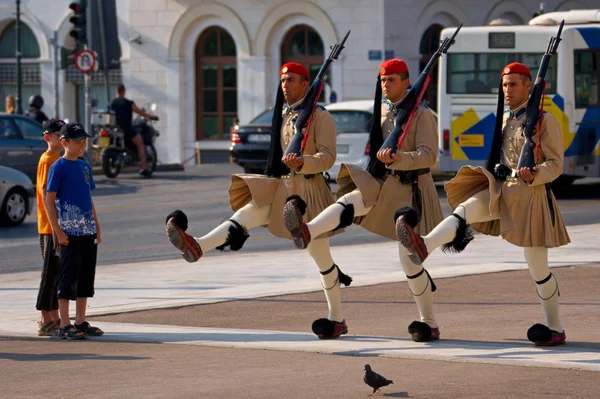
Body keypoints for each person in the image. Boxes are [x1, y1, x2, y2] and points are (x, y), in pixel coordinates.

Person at [165, 62, 353, 339]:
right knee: (247, 214)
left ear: (305, 84)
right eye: (283, 80)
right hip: (282, 187)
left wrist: (303, 161)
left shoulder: (320, 116)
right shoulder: (285, 114)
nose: (285, 85)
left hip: (310, 191)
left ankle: (337, 318)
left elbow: (328, 156)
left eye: (290, 80)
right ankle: (199, 245)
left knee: (322, 258)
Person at [395, 62, 570, 346]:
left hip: (531, 196)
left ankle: (555, 327)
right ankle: (425, 244)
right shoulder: (506, 119)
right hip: (503, 189)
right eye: (504, 85)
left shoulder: (544, 120)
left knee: (537, 267)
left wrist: (536, 173)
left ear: (529, 87)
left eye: (514, 84)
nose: (507, 90)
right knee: (467, 207)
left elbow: (556, 164)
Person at [283, 59, 444, 342]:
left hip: (412, 189)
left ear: (407, 82)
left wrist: (400, 158)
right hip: (384, 183)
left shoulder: (422, 114)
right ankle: (309, 230)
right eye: (383, 80)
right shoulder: (382, 110)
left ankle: (428, 322)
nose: (386, 85)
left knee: (410, 262)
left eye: (392, 80)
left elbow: (429, 156)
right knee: (348, 201)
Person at [44, 122, 103, 340]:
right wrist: (57, 230)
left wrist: (96, 224)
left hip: (87, 231)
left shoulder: (85, 167)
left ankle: (80, 321)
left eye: (84, 141)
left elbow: (89, 198)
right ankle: (64, 323)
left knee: (86, 276)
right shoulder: (57, 168)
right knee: (67, 276)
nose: (81, 145)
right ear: (64, 142)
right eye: (77, 141)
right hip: (69, 232)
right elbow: (48, 200)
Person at [35, 118, 65, 336]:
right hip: (49, 227)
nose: (62, 138)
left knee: (57, 272)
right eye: (58, 134)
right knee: (50, 272)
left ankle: (55, 315)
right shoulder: (48, 160)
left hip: (59, 225)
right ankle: (45, 318)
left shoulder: (59, 159)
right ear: (48, 137)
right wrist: (54, 226)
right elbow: (47, 196)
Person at [110, 84, 159, 177]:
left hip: (114, 129)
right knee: (140, 144)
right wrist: (150, 116)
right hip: (127, 129)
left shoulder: (112, 103)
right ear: (124, 92)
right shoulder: (128, 102)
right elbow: (140, 112)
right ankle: (144, 168)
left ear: (116, 91)